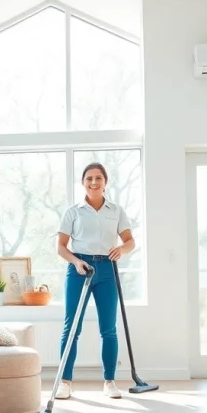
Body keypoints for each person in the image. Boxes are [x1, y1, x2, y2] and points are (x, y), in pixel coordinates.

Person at [54, 162, 135, 399]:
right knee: (71, 328)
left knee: (108, 329)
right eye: (89, 178)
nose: (93, 182)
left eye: (98, 178)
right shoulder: (73, 212)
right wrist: (76, 262)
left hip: (107, 269)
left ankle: (109, 382)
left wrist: (122, 250)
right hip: (80, 268)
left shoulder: (116, 211)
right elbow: (60, 247)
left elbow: (130, 241)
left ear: (105, 182)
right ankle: (65, 382)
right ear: (83, 182)